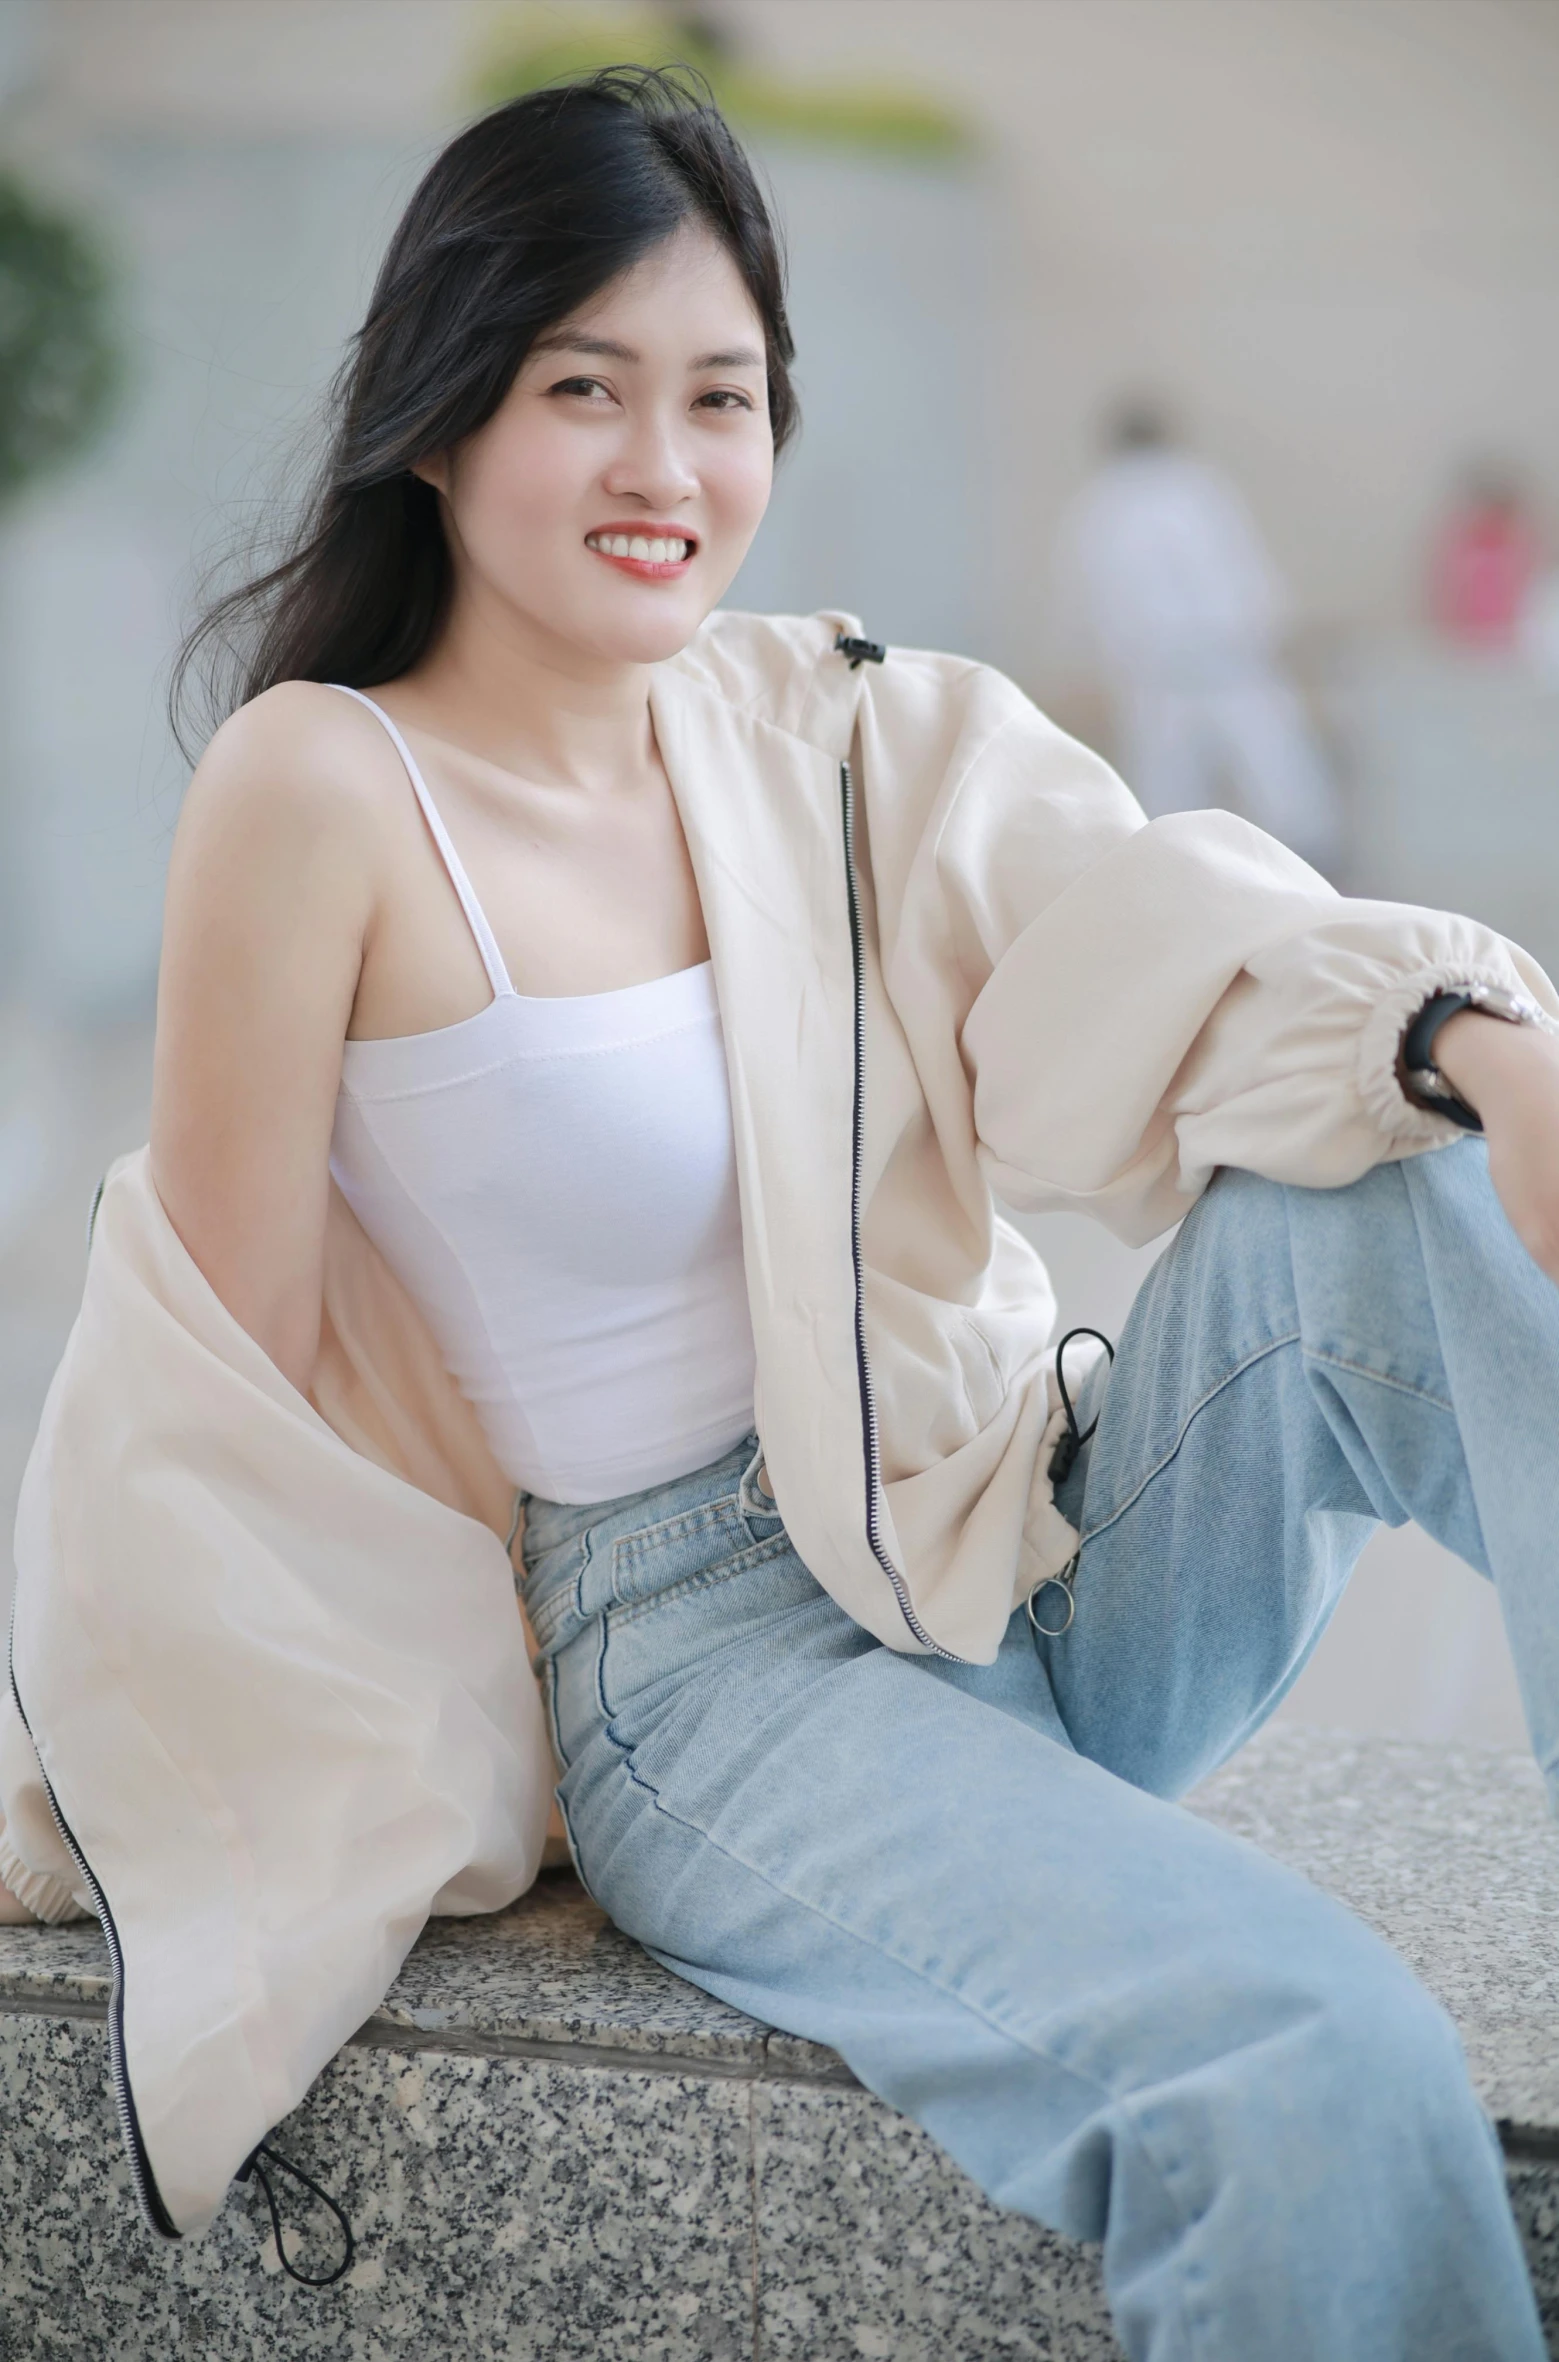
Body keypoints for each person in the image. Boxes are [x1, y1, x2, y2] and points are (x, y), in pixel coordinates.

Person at [6, 67, 1559, 2358]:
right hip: (709, 1672)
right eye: (584, 388)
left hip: (1012, 1543)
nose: (664, 465)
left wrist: (1481, 1049)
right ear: (441, 414)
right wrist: (97, 1779)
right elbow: (208, 1386)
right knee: (1307, 2053)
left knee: (1400, 1195)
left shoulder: (828, 729)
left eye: (718, 397)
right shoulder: (325, 783)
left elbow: (1138, 941)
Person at [1054, 399, 1342, 872]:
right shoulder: (1198, 489)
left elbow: (1085, 602)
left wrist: (1097, 658)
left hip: (1158, 676)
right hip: (1229, 661)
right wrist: (1275, 631)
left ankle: (1177, 877)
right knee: (1280, 781)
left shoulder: (1096, 508)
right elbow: (1246, 574)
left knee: (1168, 802)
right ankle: (1313, 868)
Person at [1430, 460, 1543, 649]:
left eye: (1498, 510)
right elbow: (1448, 590)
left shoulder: (1519, 546)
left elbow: (1530, 594)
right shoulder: (1460, 545)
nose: (1491, 517)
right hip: (1465, 639)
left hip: (1509, 639)